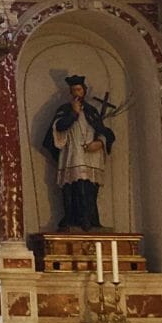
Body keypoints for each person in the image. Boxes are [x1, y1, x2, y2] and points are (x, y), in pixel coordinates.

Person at [42, 74, 115, 231]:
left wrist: (100, 143)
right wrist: (73, 114)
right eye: (73, 90)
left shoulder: (92, 111)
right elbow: (59, 128)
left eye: (79, 89)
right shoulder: (65, 110)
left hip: (92, 156)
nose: (76, 92)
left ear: (84, 91)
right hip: (73, 154)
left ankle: (91, 219)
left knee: (90, 188)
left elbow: (103, 131)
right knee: (76, 187)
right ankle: (75, 219)